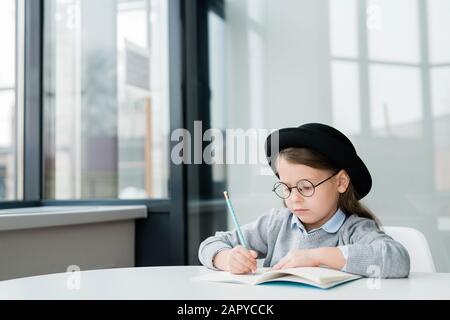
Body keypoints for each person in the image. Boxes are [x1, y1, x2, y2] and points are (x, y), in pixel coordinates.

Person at [198, 123, 410, 278]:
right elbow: (209, 245)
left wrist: (317, 257)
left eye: (306, 187)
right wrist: (226, 258)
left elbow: (397, 259)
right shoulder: (275, 224)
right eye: (286, 188)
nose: (294, 198)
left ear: (341, 182)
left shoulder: (353, 230)